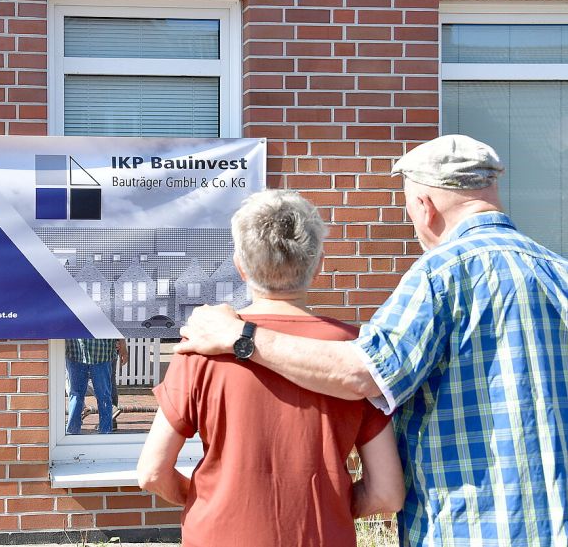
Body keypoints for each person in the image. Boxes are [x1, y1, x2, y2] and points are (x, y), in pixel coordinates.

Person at [176, 135, 568, 546]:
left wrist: (240, 337)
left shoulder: (440, 274)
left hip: (470, 526)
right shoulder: (558, 271)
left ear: (424, 205)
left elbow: (364, 373)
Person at [137, 190, 405, 546]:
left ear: (240, 266)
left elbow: (152, 472)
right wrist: (334, 505)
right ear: (319, 263)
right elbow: (387, 492)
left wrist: (204, 497)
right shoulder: (355, 354)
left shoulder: (201, 349)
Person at [65, 338, 126, 434]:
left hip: (96, 352)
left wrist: (122, 344)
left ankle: (72, 433)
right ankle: (72, 433)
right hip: (83, 350)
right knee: (100, 396)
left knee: (80, 395)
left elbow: (117, 322)